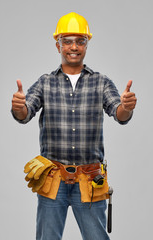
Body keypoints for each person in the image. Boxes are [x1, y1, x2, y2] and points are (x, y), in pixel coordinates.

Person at [11, 12, 137, 240]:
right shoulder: (44, 82)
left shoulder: (101, 82)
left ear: (87, 44)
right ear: (57, 44)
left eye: (80, 41)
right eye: (67, 41)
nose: (74, 47)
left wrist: (126, 106)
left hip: (90, 181)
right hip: (52, 180)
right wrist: (19, 106)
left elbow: (119, 113)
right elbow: (24, 113)